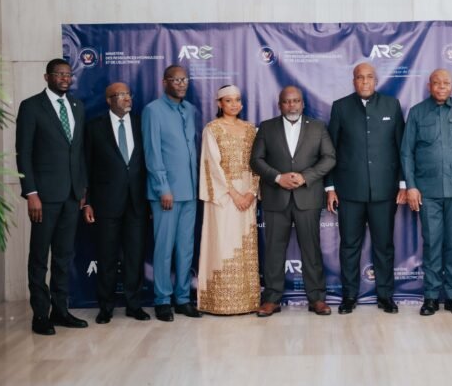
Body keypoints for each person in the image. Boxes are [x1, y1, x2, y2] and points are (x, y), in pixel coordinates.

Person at [326, 62, 406, 315]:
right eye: (360, 77)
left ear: (375, 80)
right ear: (354, 81)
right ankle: (349, 295)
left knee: (384, 246)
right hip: (349, 192)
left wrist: (403, 184)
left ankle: (385, 295)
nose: (364, 82)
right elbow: (330, 151)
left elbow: (401, 148)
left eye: (369, 77)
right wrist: (330, 187)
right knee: (349, 246)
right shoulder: (340, 107)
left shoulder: (392, 105)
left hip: (385, 191)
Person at [15, 58, 88, 335]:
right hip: (44, 197)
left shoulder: (77, 106)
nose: (65, 78)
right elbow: (24, 152)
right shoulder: (31, 106)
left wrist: (82, 189)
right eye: (59, 74)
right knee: (39, 257)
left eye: (68, 74)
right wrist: (31, 193)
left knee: (63, 256)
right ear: (47, 77)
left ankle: (60, 310)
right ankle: (40, 315)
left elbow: (79, 152)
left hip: (72, 195)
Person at [250, 86, 336, 317]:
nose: (292, 105)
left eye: (296, 101)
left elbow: (329, 157)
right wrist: (278, 178)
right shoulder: (267, 127)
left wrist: (305, 177)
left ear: (303, 104)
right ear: (280, 105)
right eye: (287, 102)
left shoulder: (317, 127)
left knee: (311, 250)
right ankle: (271, 299)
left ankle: (317, 299)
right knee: (274, 251)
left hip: (307, 197)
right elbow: (256, 160)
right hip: (275, 197)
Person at [400, 69, 452, 316]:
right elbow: (406, 152)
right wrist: (411, 186)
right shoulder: (417, 112)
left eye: (446, 83)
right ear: (429, 86)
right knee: (432, 243)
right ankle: (431, 297)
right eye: (437, 83)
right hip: (427, 190)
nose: (442, 86)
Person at [84, 82, 150, 324]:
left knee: (135, 256)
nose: (127, 98)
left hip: (137, 202)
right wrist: (87, 202)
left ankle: (134, 305)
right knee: (107, 256)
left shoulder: (142, 124)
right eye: (120, 95)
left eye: (128, 94)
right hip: (106, 203)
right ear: (108, 100)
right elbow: (86, 166)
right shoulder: (94, 127)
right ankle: (106, 307)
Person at [142, 65, 201, 322]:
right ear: (164, 82)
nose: (181, 83)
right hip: (166, 194)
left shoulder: (191, 110)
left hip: (190, 192)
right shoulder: (153, 111)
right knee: (164, 249)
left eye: (184, 79)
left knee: (185, 249)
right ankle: (162, 300)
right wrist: (162, 187)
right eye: (175, 80)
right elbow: (152, 152)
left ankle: (183, 298)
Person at [197, 85, 261, 315]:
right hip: (223, 197)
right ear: (219, 104)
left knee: (243, 245)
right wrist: (234, 194)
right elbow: (211, 166)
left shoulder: (251, 129)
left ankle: (247, 301)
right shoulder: (212, 129)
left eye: (237, 100)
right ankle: (218, 302)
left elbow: (258, 162)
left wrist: (251, 193)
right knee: (223, 243)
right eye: (228, 100)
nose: (234, 104)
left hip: (247, 196)